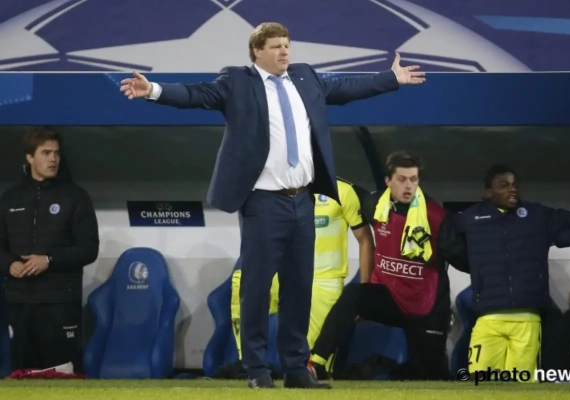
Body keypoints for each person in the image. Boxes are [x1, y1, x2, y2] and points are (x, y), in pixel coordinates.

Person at [119, 22, 424, 389]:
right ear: (257, 51)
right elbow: (195, 94)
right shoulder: (237, 81)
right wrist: (153, 90)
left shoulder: (305, 77)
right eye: (276, 46)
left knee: (299, 287)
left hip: (303, 201)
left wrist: (390, 79)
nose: (284, 52)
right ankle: (257, 369)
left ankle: (296, 369)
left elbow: (346, 88)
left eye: (287, 45)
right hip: (263, 203)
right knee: (257, 288)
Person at [308, 150, 470, 381]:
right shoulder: (374, 204)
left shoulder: (435, 217)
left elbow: (464, 260)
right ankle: (317, 363)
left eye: (413, 179)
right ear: (388, 181)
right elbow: (349, 193)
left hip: (426, 308)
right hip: (391, 298)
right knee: (354, 295)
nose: (408, 186)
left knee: (430, 377)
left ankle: (388, 370)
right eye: (402, 179)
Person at [456, 164, 570, 382]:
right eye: (504, 185)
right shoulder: (470, 218)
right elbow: (447, 241)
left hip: (527, 318)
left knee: (521, 387)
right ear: (489, 191)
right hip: (488, 317)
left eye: (515, 185)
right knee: (480, 381)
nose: (512, 189)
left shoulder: (536, 215)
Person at [230, 178, 374, 373]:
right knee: (241, 281)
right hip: (285, 273)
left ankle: (310, 371)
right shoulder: (280, 187)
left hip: (324, 280)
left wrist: (364, 292)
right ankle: (247, 363)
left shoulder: (342, 190)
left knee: (313, 364)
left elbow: (365, 240)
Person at [0, 128, 99, 374]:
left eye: (56, 153)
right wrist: (9, 264)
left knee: (62, 374)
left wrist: (49, 259)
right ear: (29, 157)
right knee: (23, 375)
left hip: (60, 302)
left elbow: (89, 249)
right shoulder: (10, 198)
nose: (53, 159)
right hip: (19, 302)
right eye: (46, 153)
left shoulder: (76, 197)